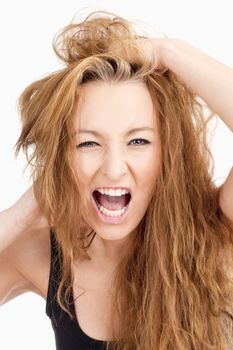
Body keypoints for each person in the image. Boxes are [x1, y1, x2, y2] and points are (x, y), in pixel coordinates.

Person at [0, 9, 233, 350]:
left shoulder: (217, 233)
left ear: (166, 155)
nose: (113, 168)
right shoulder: (44, 255)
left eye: (138, 141)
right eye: (88, 142)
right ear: (63, 156)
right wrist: (21, 214)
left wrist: (167, 52)